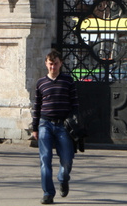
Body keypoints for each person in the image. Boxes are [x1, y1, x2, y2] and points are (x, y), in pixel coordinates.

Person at [31, 49, 79, 205]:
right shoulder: (40, 83)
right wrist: (35, 127)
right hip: (45, 124)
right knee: (45, 160)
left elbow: (75, 104)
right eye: (50, 64)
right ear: (46, 64)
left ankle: (63, 178)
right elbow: (37, 106)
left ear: (61, 64)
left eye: (56, 64)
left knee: (67, 159)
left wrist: (74, 122)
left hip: (63, 125)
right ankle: (48, 193)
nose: (53, 67)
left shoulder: (68, 81)